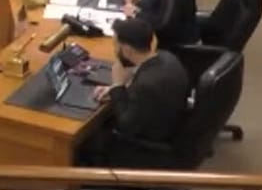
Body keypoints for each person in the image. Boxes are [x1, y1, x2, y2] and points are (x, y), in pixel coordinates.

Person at [81, 18, 190, 168]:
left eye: (115, 45)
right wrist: (115, 90)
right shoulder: (167, 57)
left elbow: (126, 126)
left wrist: (118, 85)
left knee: (86, 140)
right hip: (168, 122)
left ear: (127, 50)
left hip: (144, 145)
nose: (114, 50)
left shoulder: (146, 86)